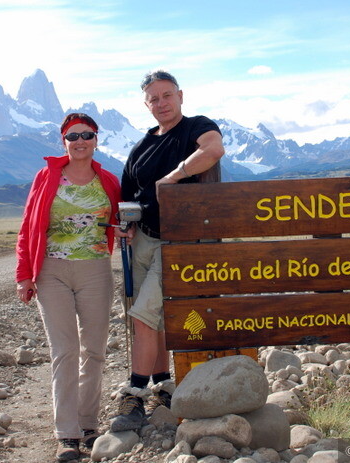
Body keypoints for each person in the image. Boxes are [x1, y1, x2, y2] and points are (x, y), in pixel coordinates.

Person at [111, 70, 225, 432]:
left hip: (179, 244)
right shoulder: (141, 148)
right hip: (143, 239)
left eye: (166, 95)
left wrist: (174, 177)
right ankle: (163, 383)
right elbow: (128, 195)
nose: (161, 103)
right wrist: (126, 224)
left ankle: (135, 392)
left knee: (143, 315)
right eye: (153, 99)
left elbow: (213, 150)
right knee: (152, 319)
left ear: (180, 95)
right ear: (146, 105)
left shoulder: (196, 127)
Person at [15, 113, 121, 461]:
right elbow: (27, 226)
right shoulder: (46, 178)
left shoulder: (107, 180)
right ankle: (67, 434)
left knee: (94, 349)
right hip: (52, 272)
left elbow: (119, 221)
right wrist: (24, 274)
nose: (79, 141)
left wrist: (123, 231)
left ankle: (89, 424)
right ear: (63, 141)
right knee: (64, 350)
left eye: (86, 135)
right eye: (72, 136)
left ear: (96, 140)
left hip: (95, 269)